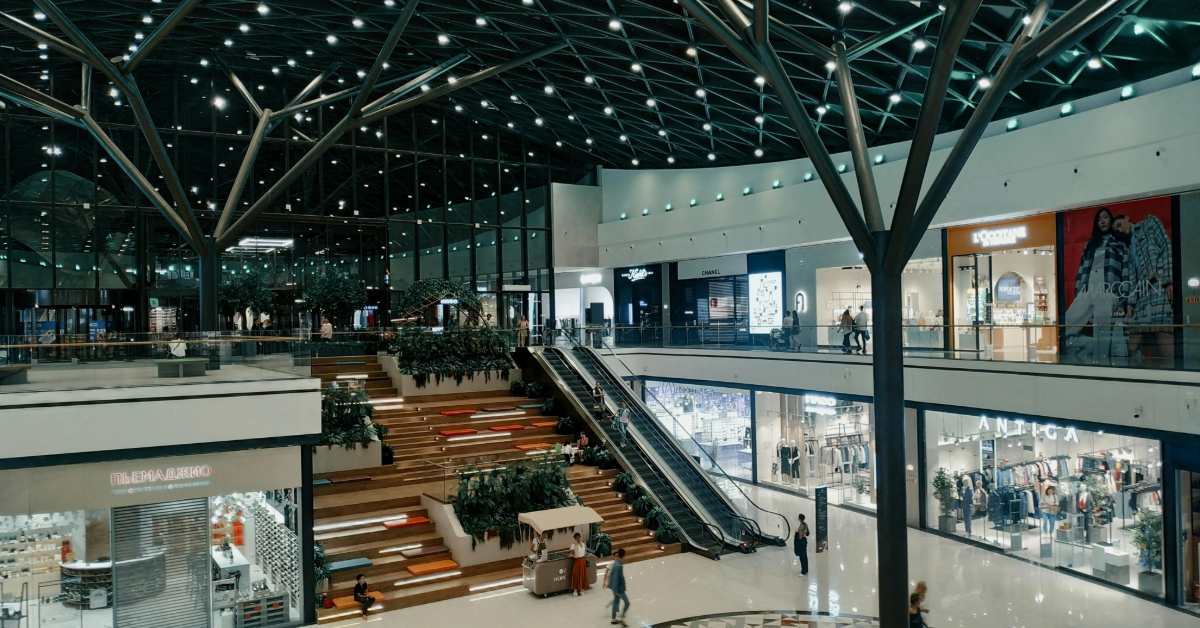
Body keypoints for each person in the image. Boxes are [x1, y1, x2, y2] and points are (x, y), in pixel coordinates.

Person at [1064, 206, 1132, 363]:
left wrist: (1122, 301)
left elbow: (1125, 274)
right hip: (1089, 286)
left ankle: (1102, 363)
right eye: (1099, 218)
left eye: (1106, 217)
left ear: (1111, 220)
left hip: (1108, 287)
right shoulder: (1090, 244)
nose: (1102, 221)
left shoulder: (1120, 245)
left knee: (1102, 329)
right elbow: (1081, 270)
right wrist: (1079, 292)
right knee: (1068, 321)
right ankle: (1085, 350)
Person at [1113, 213, 1174, 365]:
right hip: (1142, 292)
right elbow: (1132, 280)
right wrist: (1130, 306)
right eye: (1116, 230)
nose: (1119, 230)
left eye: (1120, 224)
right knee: (1132, 332)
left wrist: (1169, 280)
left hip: (1158, 283)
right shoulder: (1128, 249)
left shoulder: (1149, 222)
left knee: (1162, 328)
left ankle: (1175, 374)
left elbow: (1166, 246)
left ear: (1127, 218)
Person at [603, 548, 628, 626]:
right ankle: (621, 617)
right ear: (624, 555)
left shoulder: (617, 563)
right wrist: (615, 589)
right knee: (627, 603)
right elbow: (616, 578)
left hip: (617, 588)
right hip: (619, 589)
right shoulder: (618, 565)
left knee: (616, 602)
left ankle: (613, 619)